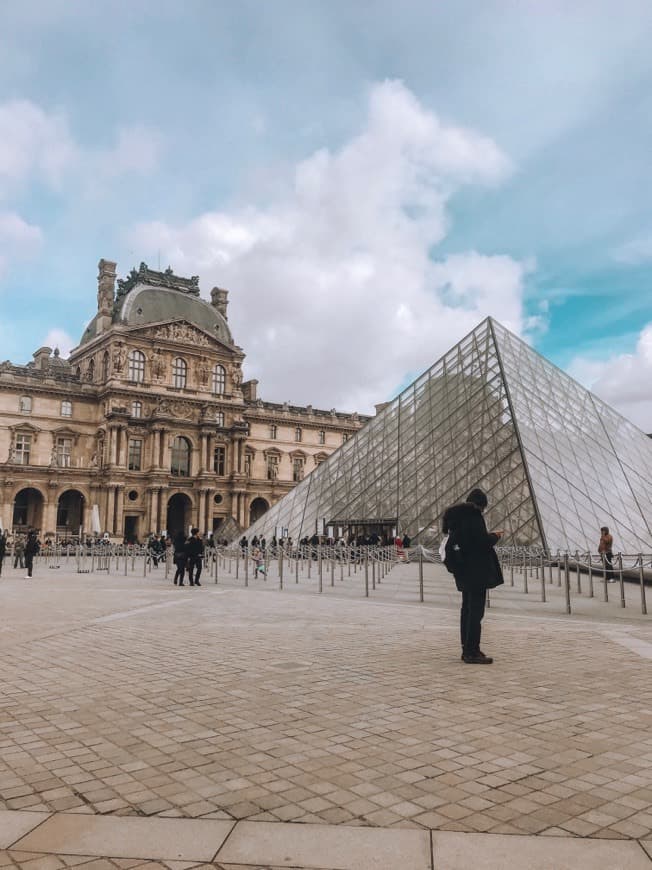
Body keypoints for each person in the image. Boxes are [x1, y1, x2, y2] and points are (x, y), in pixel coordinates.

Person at [442, 488, 504, 664]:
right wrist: (495, 536)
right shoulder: (474, 518)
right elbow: (481, 542)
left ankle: (466, 647)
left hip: (463, 572)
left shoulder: (457, 520)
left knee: (467, 610)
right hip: (476, 572)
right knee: (476, 612)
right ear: (480, 505)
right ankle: (471, 651)